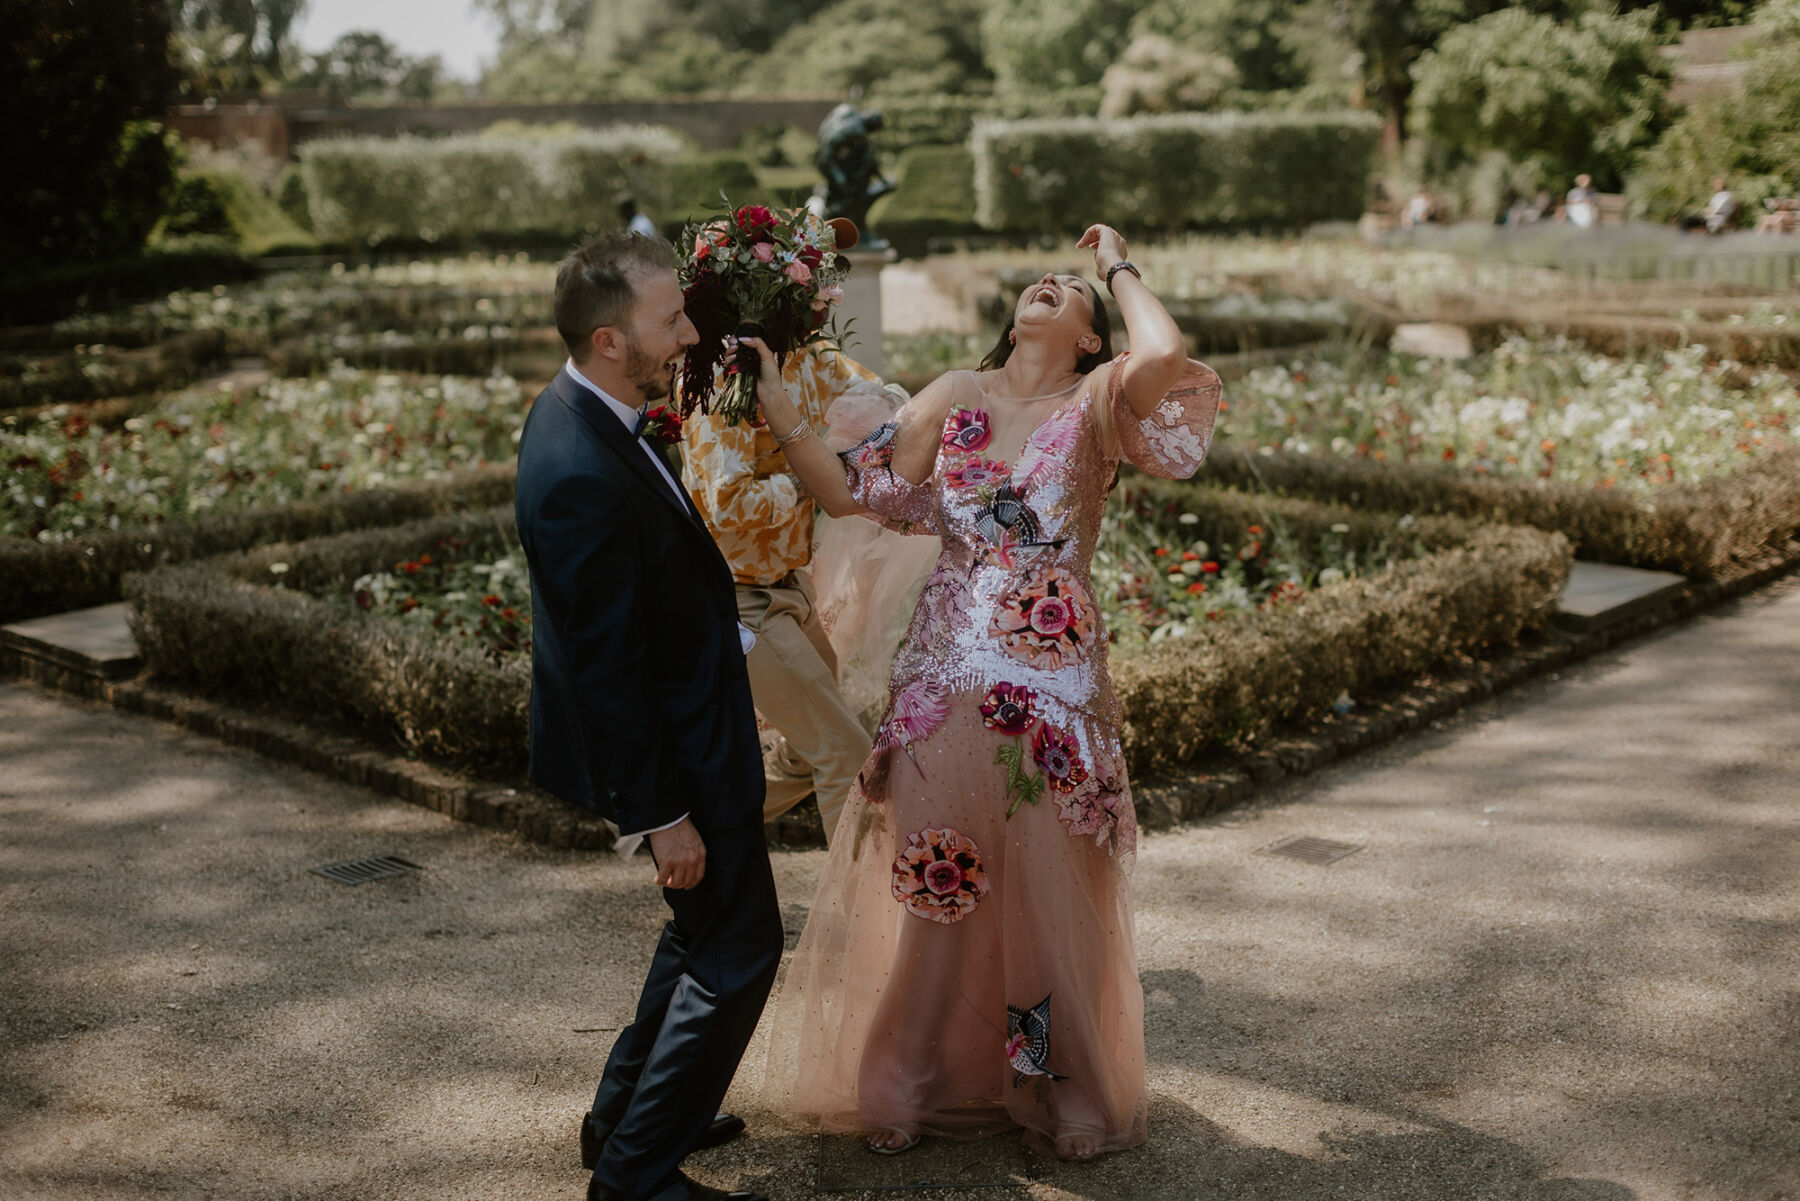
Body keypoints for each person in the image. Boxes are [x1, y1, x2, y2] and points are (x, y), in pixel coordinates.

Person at [746, 223, 1220, 1161]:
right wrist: (775, 404)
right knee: (936, 883)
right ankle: (905, 1081)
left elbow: (1163, 351)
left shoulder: (1098, 399)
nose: (1048, 281)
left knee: (1049, 904)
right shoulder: (956, 395)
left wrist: (1115, 263)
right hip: (940, 691)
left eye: (1068, 289)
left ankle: (1055, 1083)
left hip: (1056, 699)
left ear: (1091, 336)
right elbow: (851, 493)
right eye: (1038, 280)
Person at [513, 230, 781, 1201]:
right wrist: (658, 812)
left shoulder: (597, 414)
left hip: (692, 722)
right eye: (668, 317)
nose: (688, 329)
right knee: (741, 949)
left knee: (699, 932)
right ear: (608, 340)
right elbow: (603, 667)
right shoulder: (578, 466)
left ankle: (619, 1119)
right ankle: (634, 1175)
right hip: (675, 750)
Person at [682, 319, 897, 844]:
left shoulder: (812, 356)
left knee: (804, 755)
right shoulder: (722, 380)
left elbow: (883, 401)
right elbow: (728, 504)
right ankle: (856, 922)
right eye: (810, 275)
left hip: (792, 588)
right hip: (739, 599)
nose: (826, 288)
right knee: (843, 752)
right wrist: (813, 472)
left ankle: (694, 832)